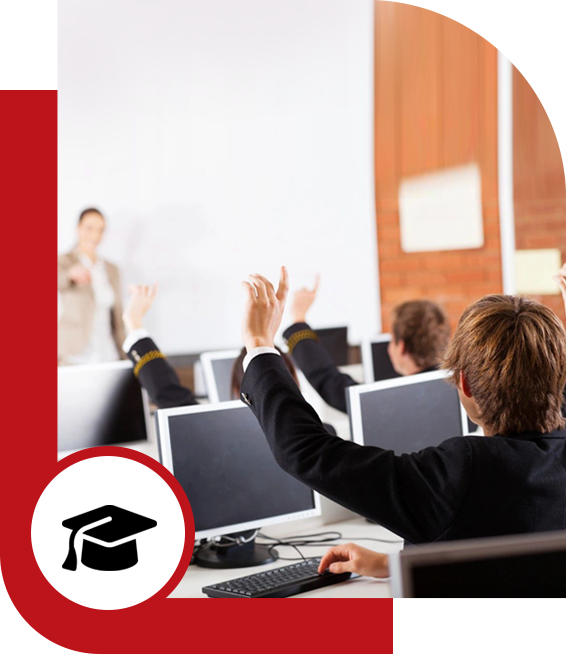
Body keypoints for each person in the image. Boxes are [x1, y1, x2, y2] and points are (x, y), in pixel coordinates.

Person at [237, 267, 566, 578]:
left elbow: (308, 451)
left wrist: (258, 342)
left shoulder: (463, 470)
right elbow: (502, 567)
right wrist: (398, 565)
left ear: (464, 383)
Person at [284, 276, 450, 412]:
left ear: (402, 347)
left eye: (392, 339)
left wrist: (298, 317)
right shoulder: (461, 391)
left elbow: (328, 381)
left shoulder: (388, 402)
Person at [58, 208, 126, 363]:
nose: (95, 235)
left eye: (100, 230)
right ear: (78, 228)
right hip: (75, 354)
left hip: (108, 352)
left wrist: (125, 349)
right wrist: (69, 274)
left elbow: (117, 314)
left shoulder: (111, 269)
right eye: (89, 228)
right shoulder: (64, 261)